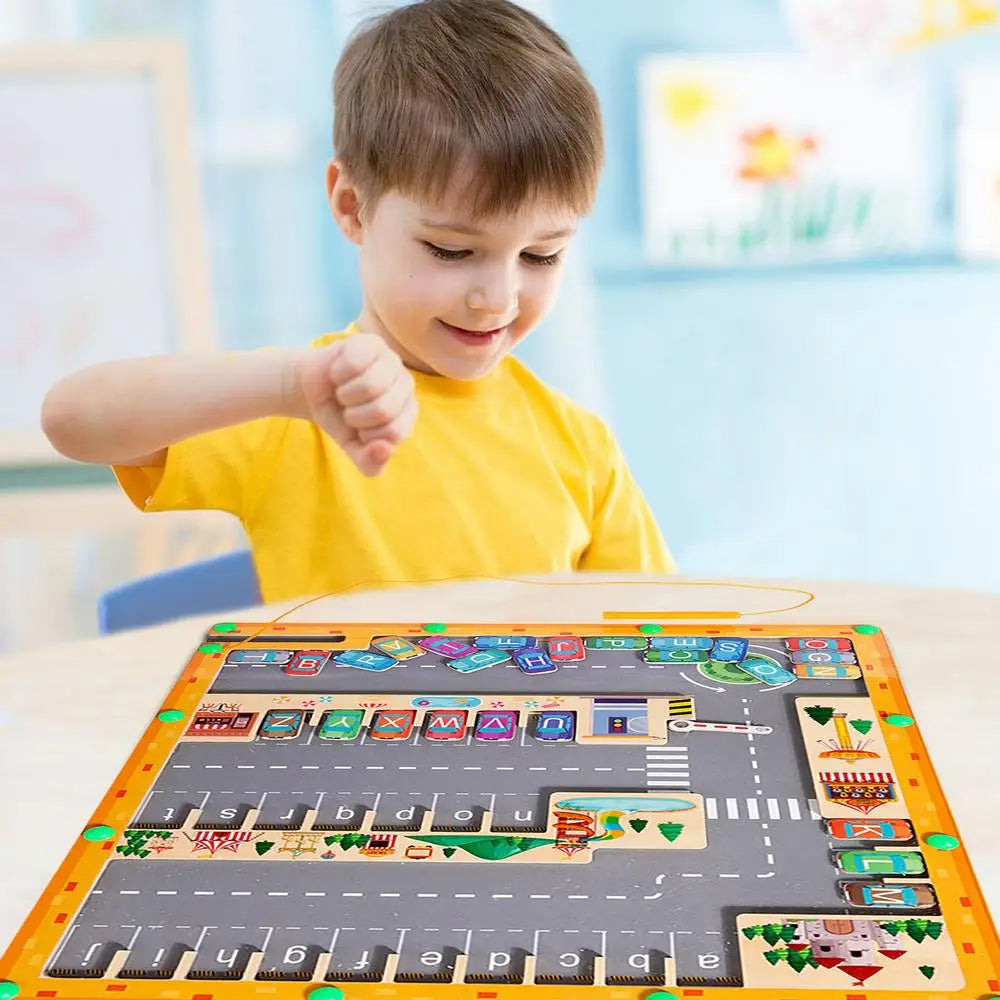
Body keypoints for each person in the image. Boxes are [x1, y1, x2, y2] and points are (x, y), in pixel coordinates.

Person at [42, 0, 676, 604]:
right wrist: (288, 385)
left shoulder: (580, 447)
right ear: (352, 206)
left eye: (541, 256)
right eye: (452, 251)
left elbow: (661, 632)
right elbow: (70, 419)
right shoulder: (300, 409)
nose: (498, 298)